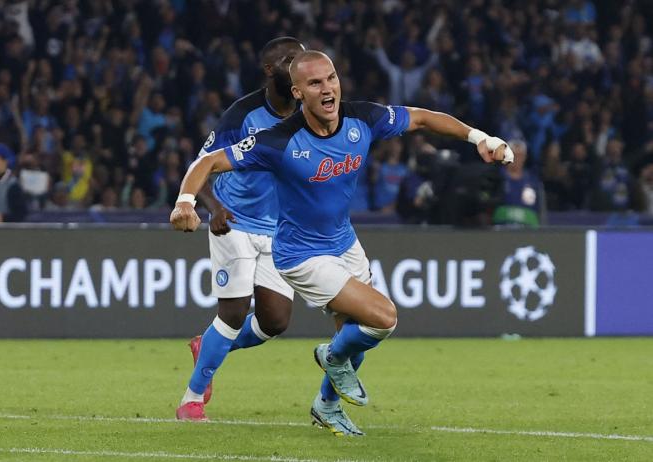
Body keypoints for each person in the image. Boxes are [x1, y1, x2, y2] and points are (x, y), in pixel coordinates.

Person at [170, 50, 513, 435]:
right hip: (300, 254)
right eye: (315, 83)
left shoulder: (361, 118)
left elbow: (420, 117)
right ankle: (325, 357)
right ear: (298, 93)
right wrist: (185, 202)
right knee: (382, 318)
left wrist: (479, 137)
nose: (328, 88)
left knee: (355, 335)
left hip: (344, 243)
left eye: (331, 78)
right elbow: (208, 162)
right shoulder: (278, 141)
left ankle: (327, 406)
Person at [174, 37, 305, 422]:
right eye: (290, 61)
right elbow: (203, 164)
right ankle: (192, 399)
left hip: (280, 227)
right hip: (235, 220)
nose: (299, 67)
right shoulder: (242, 114)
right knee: (233, 311)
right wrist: (211, 206)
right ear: (270, 70)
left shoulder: (307, 114)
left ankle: (209, 345)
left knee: (274, 322)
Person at [0, 143, 27, 223]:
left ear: (5, 161)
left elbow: (21, 216)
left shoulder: (13, 186)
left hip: (3, 233)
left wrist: (3, 218)